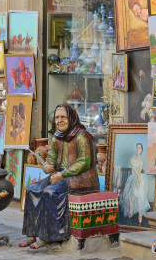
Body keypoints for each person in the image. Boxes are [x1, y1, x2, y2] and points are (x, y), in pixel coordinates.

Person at [19, 104, 99, 250]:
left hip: (80, 178)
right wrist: (47, 166)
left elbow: (84, 162)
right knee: (31, 189)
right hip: (61, 175)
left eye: (63, 117)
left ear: (71, 118)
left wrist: (62, 174)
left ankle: (47, 236)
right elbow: (52, 157)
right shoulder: (57, 136)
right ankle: (32, 233)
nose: (60, 120)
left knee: (49, 193)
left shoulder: (81, 136)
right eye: (57, 117)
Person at [119, 143, 151, 224]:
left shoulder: (141, 161)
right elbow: (134, 170)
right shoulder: (132, 160)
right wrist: (137, 179)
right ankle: (131, 207)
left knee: (139, 190)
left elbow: (140, 171)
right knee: (135, 188)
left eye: (139, 148)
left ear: (141, 150)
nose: (138, 149)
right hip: (133, 177)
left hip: (140, 177)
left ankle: (140, 213)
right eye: (137, 147)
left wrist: (139, 179)